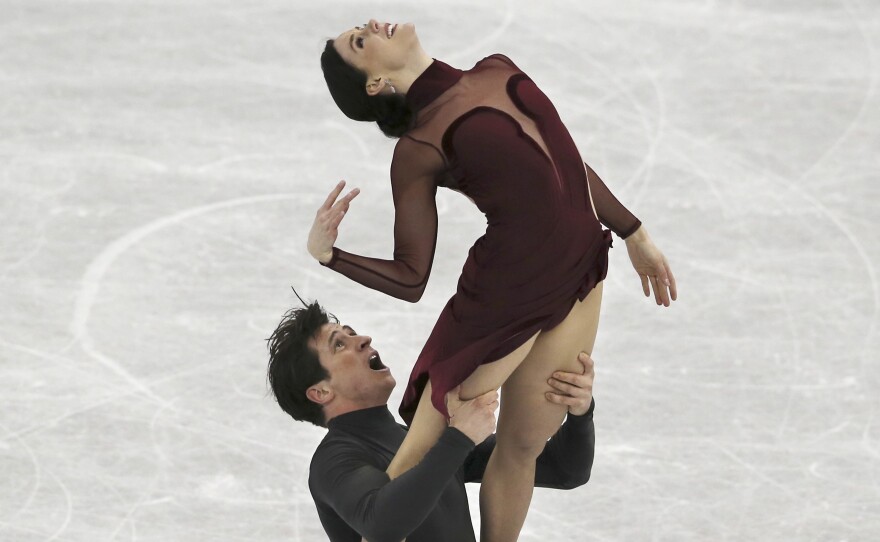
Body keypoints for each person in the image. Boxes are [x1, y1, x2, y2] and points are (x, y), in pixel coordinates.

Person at [310, 19, 677, 540]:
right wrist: (331, 256)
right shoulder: (417, 148)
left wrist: (633, 231)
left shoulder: (495, 68)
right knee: (419, 454)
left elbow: (568, 165)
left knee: (524, 444)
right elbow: (412, 276)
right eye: (360, 42)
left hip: (579, 273)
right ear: (374, 83)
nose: (371, 24)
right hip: (505, 293)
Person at [266, 299, 598, 542]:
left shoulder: (420, 438)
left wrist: (580, 411)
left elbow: (566, 470)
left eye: (352, 333)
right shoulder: (334, 461)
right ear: (320, 392)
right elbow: (381, 525)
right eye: (340, 344)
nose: (363, 339)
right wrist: (457, 440)